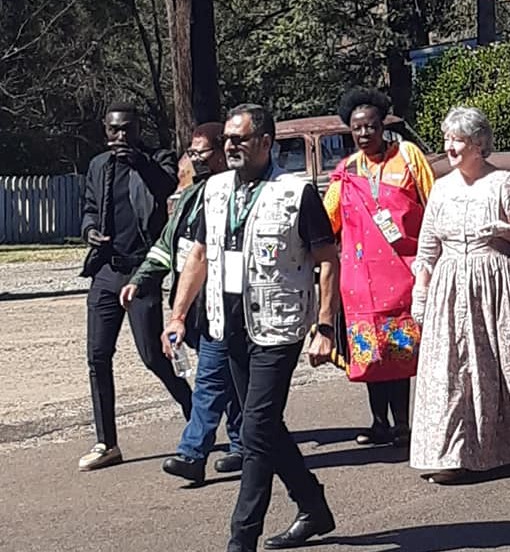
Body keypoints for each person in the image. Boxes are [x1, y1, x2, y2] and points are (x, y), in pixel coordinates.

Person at [165, 104, 340, 551]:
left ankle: (241, 540)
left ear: (265, 142)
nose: (229, 146)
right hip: (229, 325)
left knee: (256, 433)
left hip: (278, 326)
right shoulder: (215, 190)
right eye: (227, 139)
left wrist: (325, 326)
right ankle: (313, 507)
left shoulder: (296, 192)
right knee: (265, 426)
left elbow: (327, 260)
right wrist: (179, 315)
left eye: (239, 139)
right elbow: (199, 255)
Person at [409, 106, 510, 483]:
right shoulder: (441, 187)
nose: (450, 147)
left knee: (502, 364)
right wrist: (421, 290)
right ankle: (455, 455)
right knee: (453, 370)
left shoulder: (502, 183)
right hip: (449, 287)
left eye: (458, 140)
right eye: (447, 139)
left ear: (478, 144)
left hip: (495, 285)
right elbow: (427, 248)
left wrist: (505, 229)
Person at [120, 122, 244, 484]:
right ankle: (242, 445)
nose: (195, 159)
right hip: (193, 301)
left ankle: (194, 453)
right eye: (192, 153)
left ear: (222, 151)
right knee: (226, 378)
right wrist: (140, 280)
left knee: (211, 379)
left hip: (226, 302)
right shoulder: (191, 196)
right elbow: (166, 246)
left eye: (201, 152)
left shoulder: (236, 194)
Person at [78, 101, 190, 470]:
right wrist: (89, 230)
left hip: (141, 270)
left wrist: (138, 161)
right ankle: (106, 443)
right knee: (97, 357)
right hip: (106, 271)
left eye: (128, 128)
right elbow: (89, 207)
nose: (121, 135)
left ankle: (196, 413)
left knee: (152, 356)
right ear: (105, 129)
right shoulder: (99, 165)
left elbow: (166, 186)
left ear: (138, 129)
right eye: (115, 129)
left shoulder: (156, 159)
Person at [323, 88, 434, 447]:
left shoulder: (407, 156)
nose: (364, 133)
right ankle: (378, 423)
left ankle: (402, 424)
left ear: (382, 126)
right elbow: (328, 219)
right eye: (357, 128)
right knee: (369, 353)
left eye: (370, 126)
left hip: (403, 274)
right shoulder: (346, 171)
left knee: (399, 353)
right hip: (360, 282)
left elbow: (432, 203)